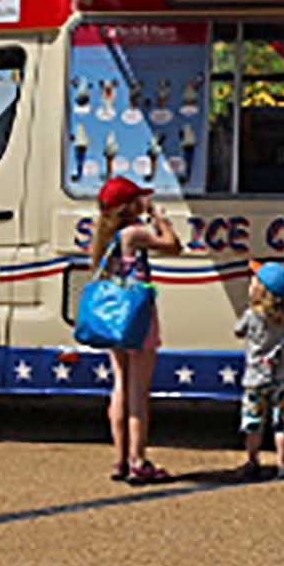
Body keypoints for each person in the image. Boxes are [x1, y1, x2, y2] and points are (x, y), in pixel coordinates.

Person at [88, 176, 182, 485]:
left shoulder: (103, 236)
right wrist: (160, 218)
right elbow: (174, 246)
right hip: (138, 318)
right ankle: (138, 461)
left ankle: (119, 459)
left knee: (120, 387)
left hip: (115, 319)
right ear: (130, 207)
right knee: (139, 393)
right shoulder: (133, 233)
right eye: (140, 198)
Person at [234, 260, 284, 482]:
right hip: (282, 377)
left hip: (255, 378)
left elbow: (238, 331)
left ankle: (253, 460)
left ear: (261, 289)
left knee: (253, 421)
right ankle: (283, 464)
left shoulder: (252, 315)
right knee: (282, 422)